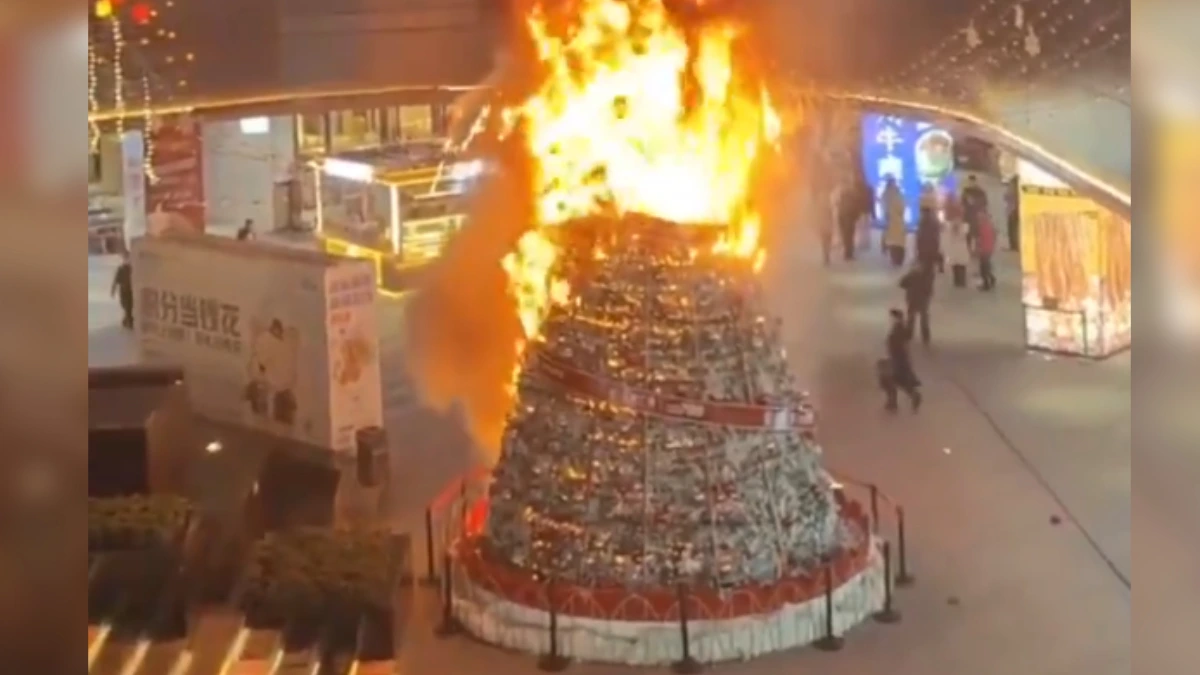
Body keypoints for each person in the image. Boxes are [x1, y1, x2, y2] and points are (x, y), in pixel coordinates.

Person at [880, 308, 922, 413]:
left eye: (893, 317)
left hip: (898, 360)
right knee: (900, 382)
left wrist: (893, 360)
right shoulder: (898, 328)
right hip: (898, 359)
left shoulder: (899, 329)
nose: (890, 319)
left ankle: (893, 402)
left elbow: (899, 344)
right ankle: (913, 396)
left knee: (888, 379)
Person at [899, 263, 935, 344]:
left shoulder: (912, 275)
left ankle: (909, 334)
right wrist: (928, 294)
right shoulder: (928, 276)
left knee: (911, 317)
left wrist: (909, 287)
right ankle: (925, 335)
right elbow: (929, 288)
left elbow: (902, 283)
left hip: (912, 298)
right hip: (923, 299)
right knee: (923, 317)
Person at [943, 195, 972, 288]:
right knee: (960, 265)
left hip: (955, 248)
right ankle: (960, 281)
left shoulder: (951, 226)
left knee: (957, 265)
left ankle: (958, 281)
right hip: (960, 248)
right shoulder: (964, 226)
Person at [882, 178, 907, 267]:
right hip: (897, 221)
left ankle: (895, 259)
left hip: (892, 221)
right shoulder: (899, 196)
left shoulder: (887, 194)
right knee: (898, 242)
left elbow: (884, 206)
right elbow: (902, 208)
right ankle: (898, 260)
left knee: (893, 241)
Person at [961, 175, 989, 248]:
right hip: (967, 214)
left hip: (976, 215)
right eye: (970, 182)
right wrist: (966, 203)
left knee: (977, 231)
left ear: (975, 182)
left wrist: (975, 202)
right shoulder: (966, 191)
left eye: (972, 182)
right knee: (966, 231)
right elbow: (962, 201)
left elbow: (985, 202)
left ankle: (977, 246)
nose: (971, 183)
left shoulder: (980, 191)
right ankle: (968, 245)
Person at [914, 205, 942, 275]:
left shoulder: (922, 221)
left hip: (926, 245)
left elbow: (919, 233)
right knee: (930, 261)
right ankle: (936, 268)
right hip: (931, 244)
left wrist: (917, 244)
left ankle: (928, 272)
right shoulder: (934, 220)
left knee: (927, 261)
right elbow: (937, 231)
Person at [110, 252, 134, 329]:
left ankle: (129, 320)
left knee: (129, 306)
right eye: (125, 258)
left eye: (128, 258)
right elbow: (115, 280)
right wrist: (113, 290)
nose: (127, 260)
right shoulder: (121, 269)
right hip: (123, 290)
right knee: (124, 305)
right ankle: (127, 319)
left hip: (131, 291)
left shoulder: (133, 269)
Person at [976, 211, 998, 291]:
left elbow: (980, 239)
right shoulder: (990, 226)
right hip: (989, 248)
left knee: (983, 268)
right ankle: (991, 279)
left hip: (984, 249)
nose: (978, 219)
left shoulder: (982, 227)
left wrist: (978, 248)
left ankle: (986, 284)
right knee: (986, 266)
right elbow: (994, 237)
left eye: (980, 218)